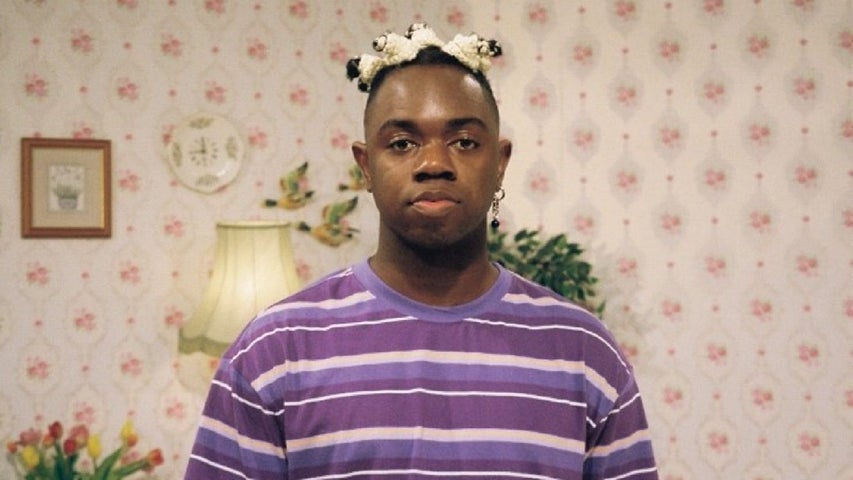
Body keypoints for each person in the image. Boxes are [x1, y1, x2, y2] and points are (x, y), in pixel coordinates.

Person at [185, 24, 658, 480]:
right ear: (365, 166)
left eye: (465, 142)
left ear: (499, 163)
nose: (434, 163)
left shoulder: (584, 354)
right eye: (403, 143)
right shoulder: (274, 351)